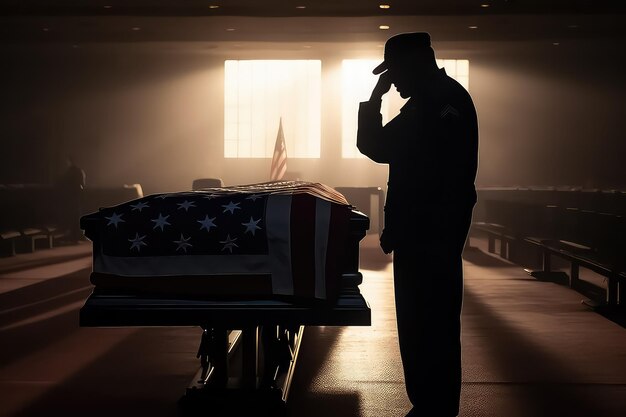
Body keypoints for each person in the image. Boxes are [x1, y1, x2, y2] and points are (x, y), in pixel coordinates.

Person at [357, 32, 478, 417]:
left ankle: (435, 404)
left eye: (394, 73)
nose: (394, 83)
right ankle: (430, 400)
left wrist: (375, 99)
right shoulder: (433, 99)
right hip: (423, 232)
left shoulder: (438, 102)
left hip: (430, 234)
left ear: (414, 64)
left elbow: (377, 146)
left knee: (430, 322)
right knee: (421, 321)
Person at [56, 156, 86, 242]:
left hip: (71, 197)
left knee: (73, 216)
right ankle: (76, 235)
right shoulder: (78, 171)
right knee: (75, 216)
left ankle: (74, 235)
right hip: (75, 197)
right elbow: (82, 184)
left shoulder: (69, 172)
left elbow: (64, 183)